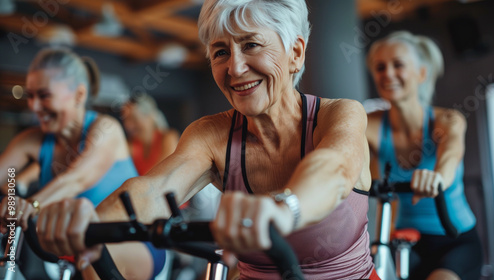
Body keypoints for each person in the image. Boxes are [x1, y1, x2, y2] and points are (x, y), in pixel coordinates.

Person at [36, 1, 378, 279]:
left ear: (296, 53)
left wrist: (282, 209)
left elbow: (333, 169)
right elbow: (151, 190)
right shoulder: (210, 134)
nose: (235, 68)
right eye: (220, 52)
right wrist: (89, 223)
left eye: (251, 44)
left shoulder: (339, 114)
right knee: (97, 264)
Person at [0, 48, 168, 279]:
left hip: (132, 241)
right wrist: (11, 200)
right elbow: (6, 176)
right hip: (74, 250)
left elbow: (77, 178)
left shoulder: (107, 128)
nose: (33, 106)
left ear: (79, 95)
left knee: (94, 256)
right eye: (30, 95)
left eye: (44, 95)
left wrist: (31, 204)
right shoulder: (31, 140)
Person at [365, 31, 483, 280]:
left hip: (454, 239)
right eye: (380, 67)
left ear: (421, 73)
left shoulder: (447, 121)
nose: (387, 73)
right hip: (404, 241)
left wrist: (437, 177)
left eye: (398, 65)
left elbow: (450, 157)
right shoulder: (372, 126)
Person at [121, 94, 180, 175]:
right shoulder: (129, 144)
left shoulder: (168, 137)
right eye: (125, 120)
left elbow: (164, 173)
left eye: (134, 119)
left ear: (150, 116)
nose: (127, 125)